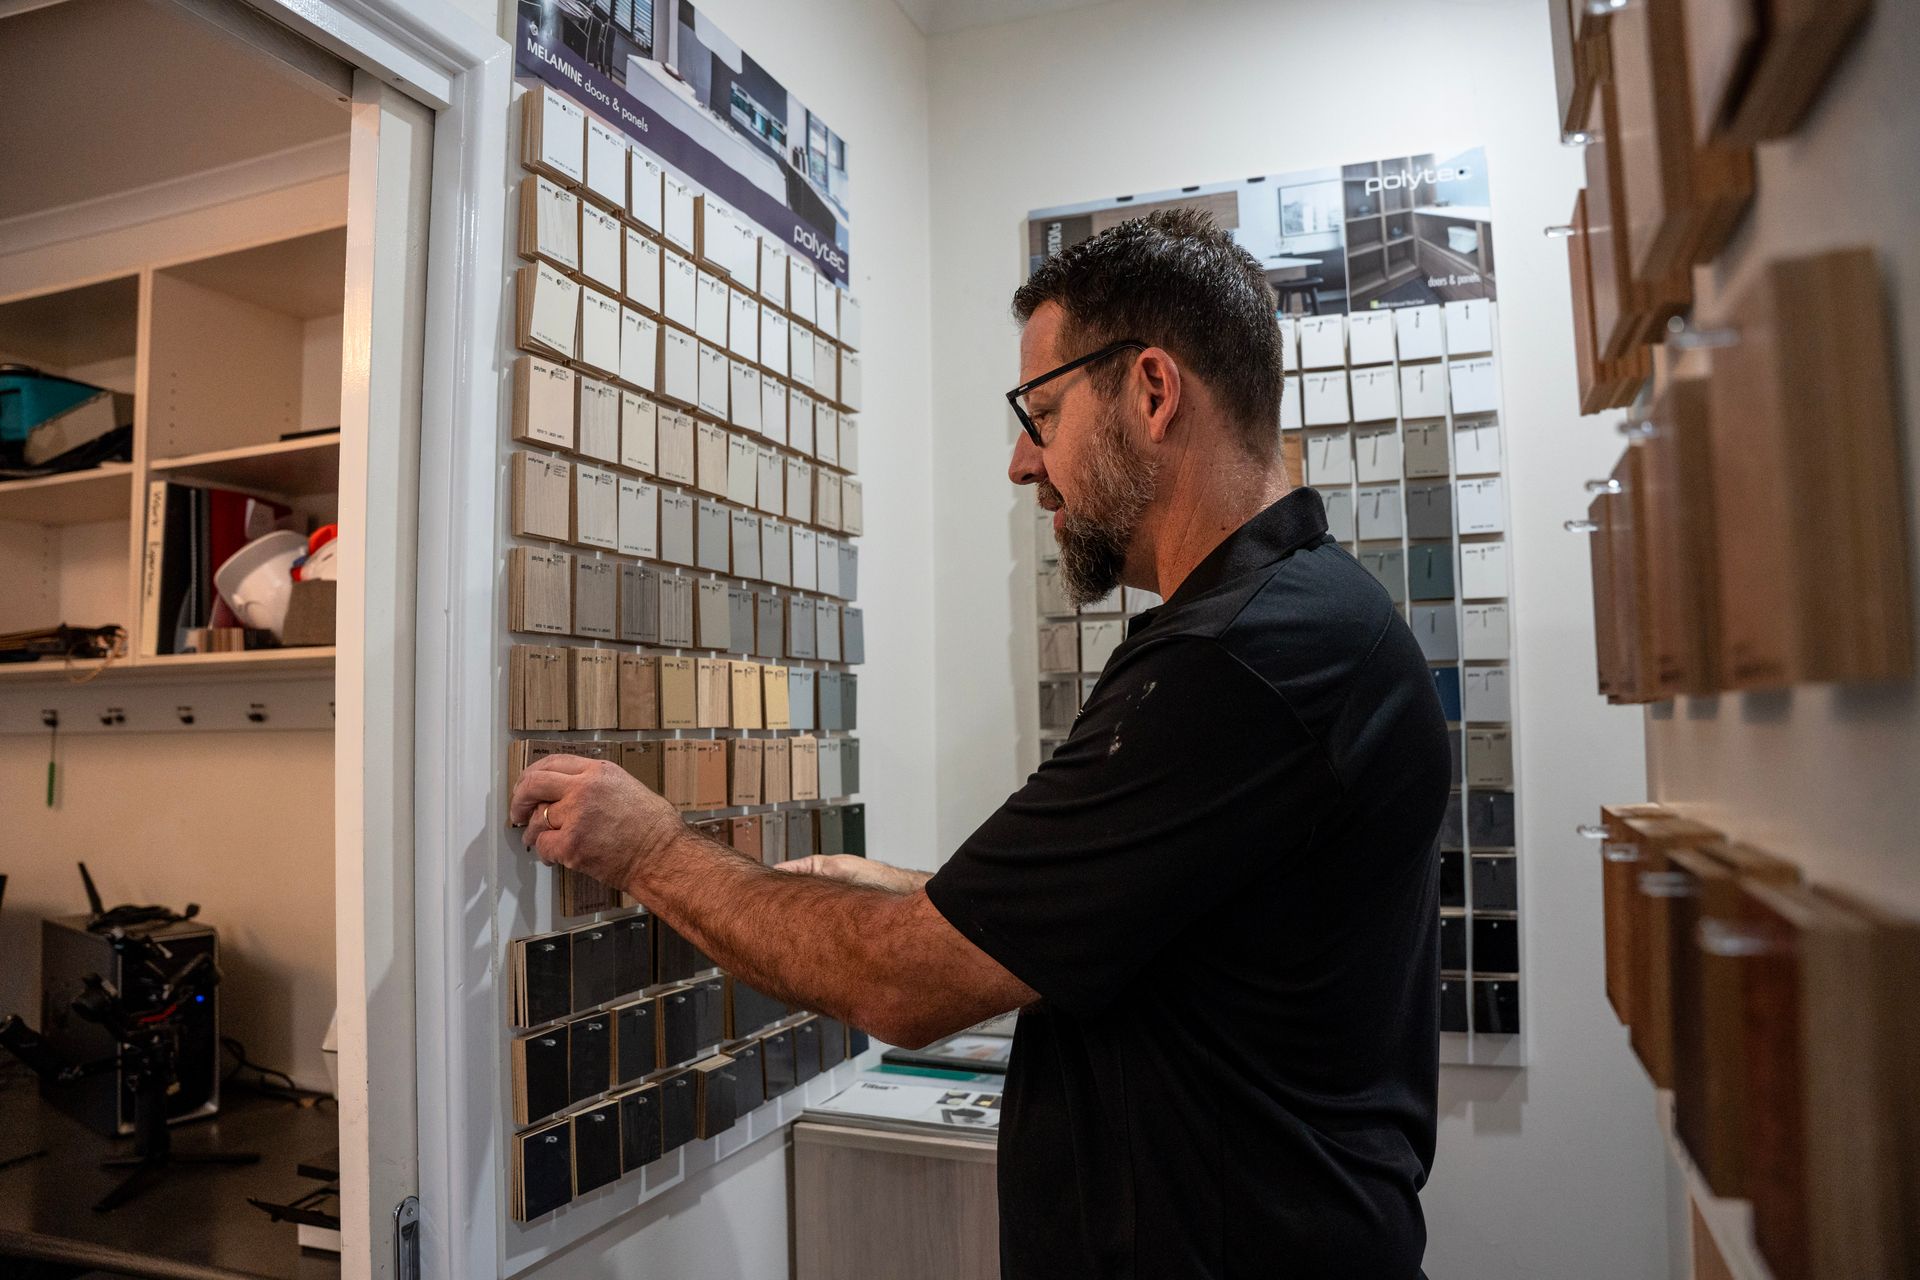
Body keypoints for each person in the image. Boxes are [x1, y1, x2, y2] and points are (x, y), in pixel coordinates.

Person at [510, 208, 1449, 1279]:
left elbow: (905, 987)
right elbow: (1159, 925)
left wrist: (650, 851)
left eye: (1042, 412)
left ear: (1151, 391)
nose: (1021, 462)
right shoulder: (1299, 624)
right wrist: (902, 886)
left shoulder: (1245, 661)